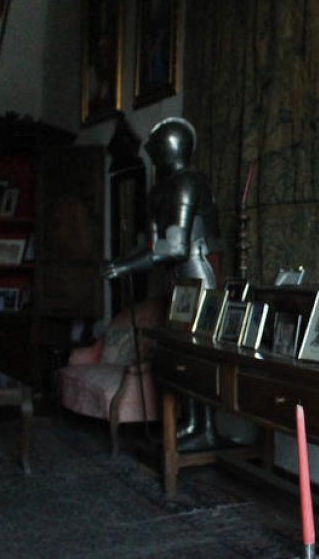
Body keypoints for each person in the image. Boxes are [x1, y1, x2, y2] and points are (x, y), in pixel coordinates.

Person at [102, 117, 224, 450]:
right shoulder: (162, 188)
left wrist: (127, 266)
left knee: (198, 352)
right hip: (178, 277)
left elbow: (177, 246)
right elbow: (154, 243)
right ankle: (192, 422)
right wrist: (121, 263)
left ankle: (206, 427)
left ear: (169, 145)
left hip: (197, 273)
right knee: (182, 352)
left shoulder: (188, 182)